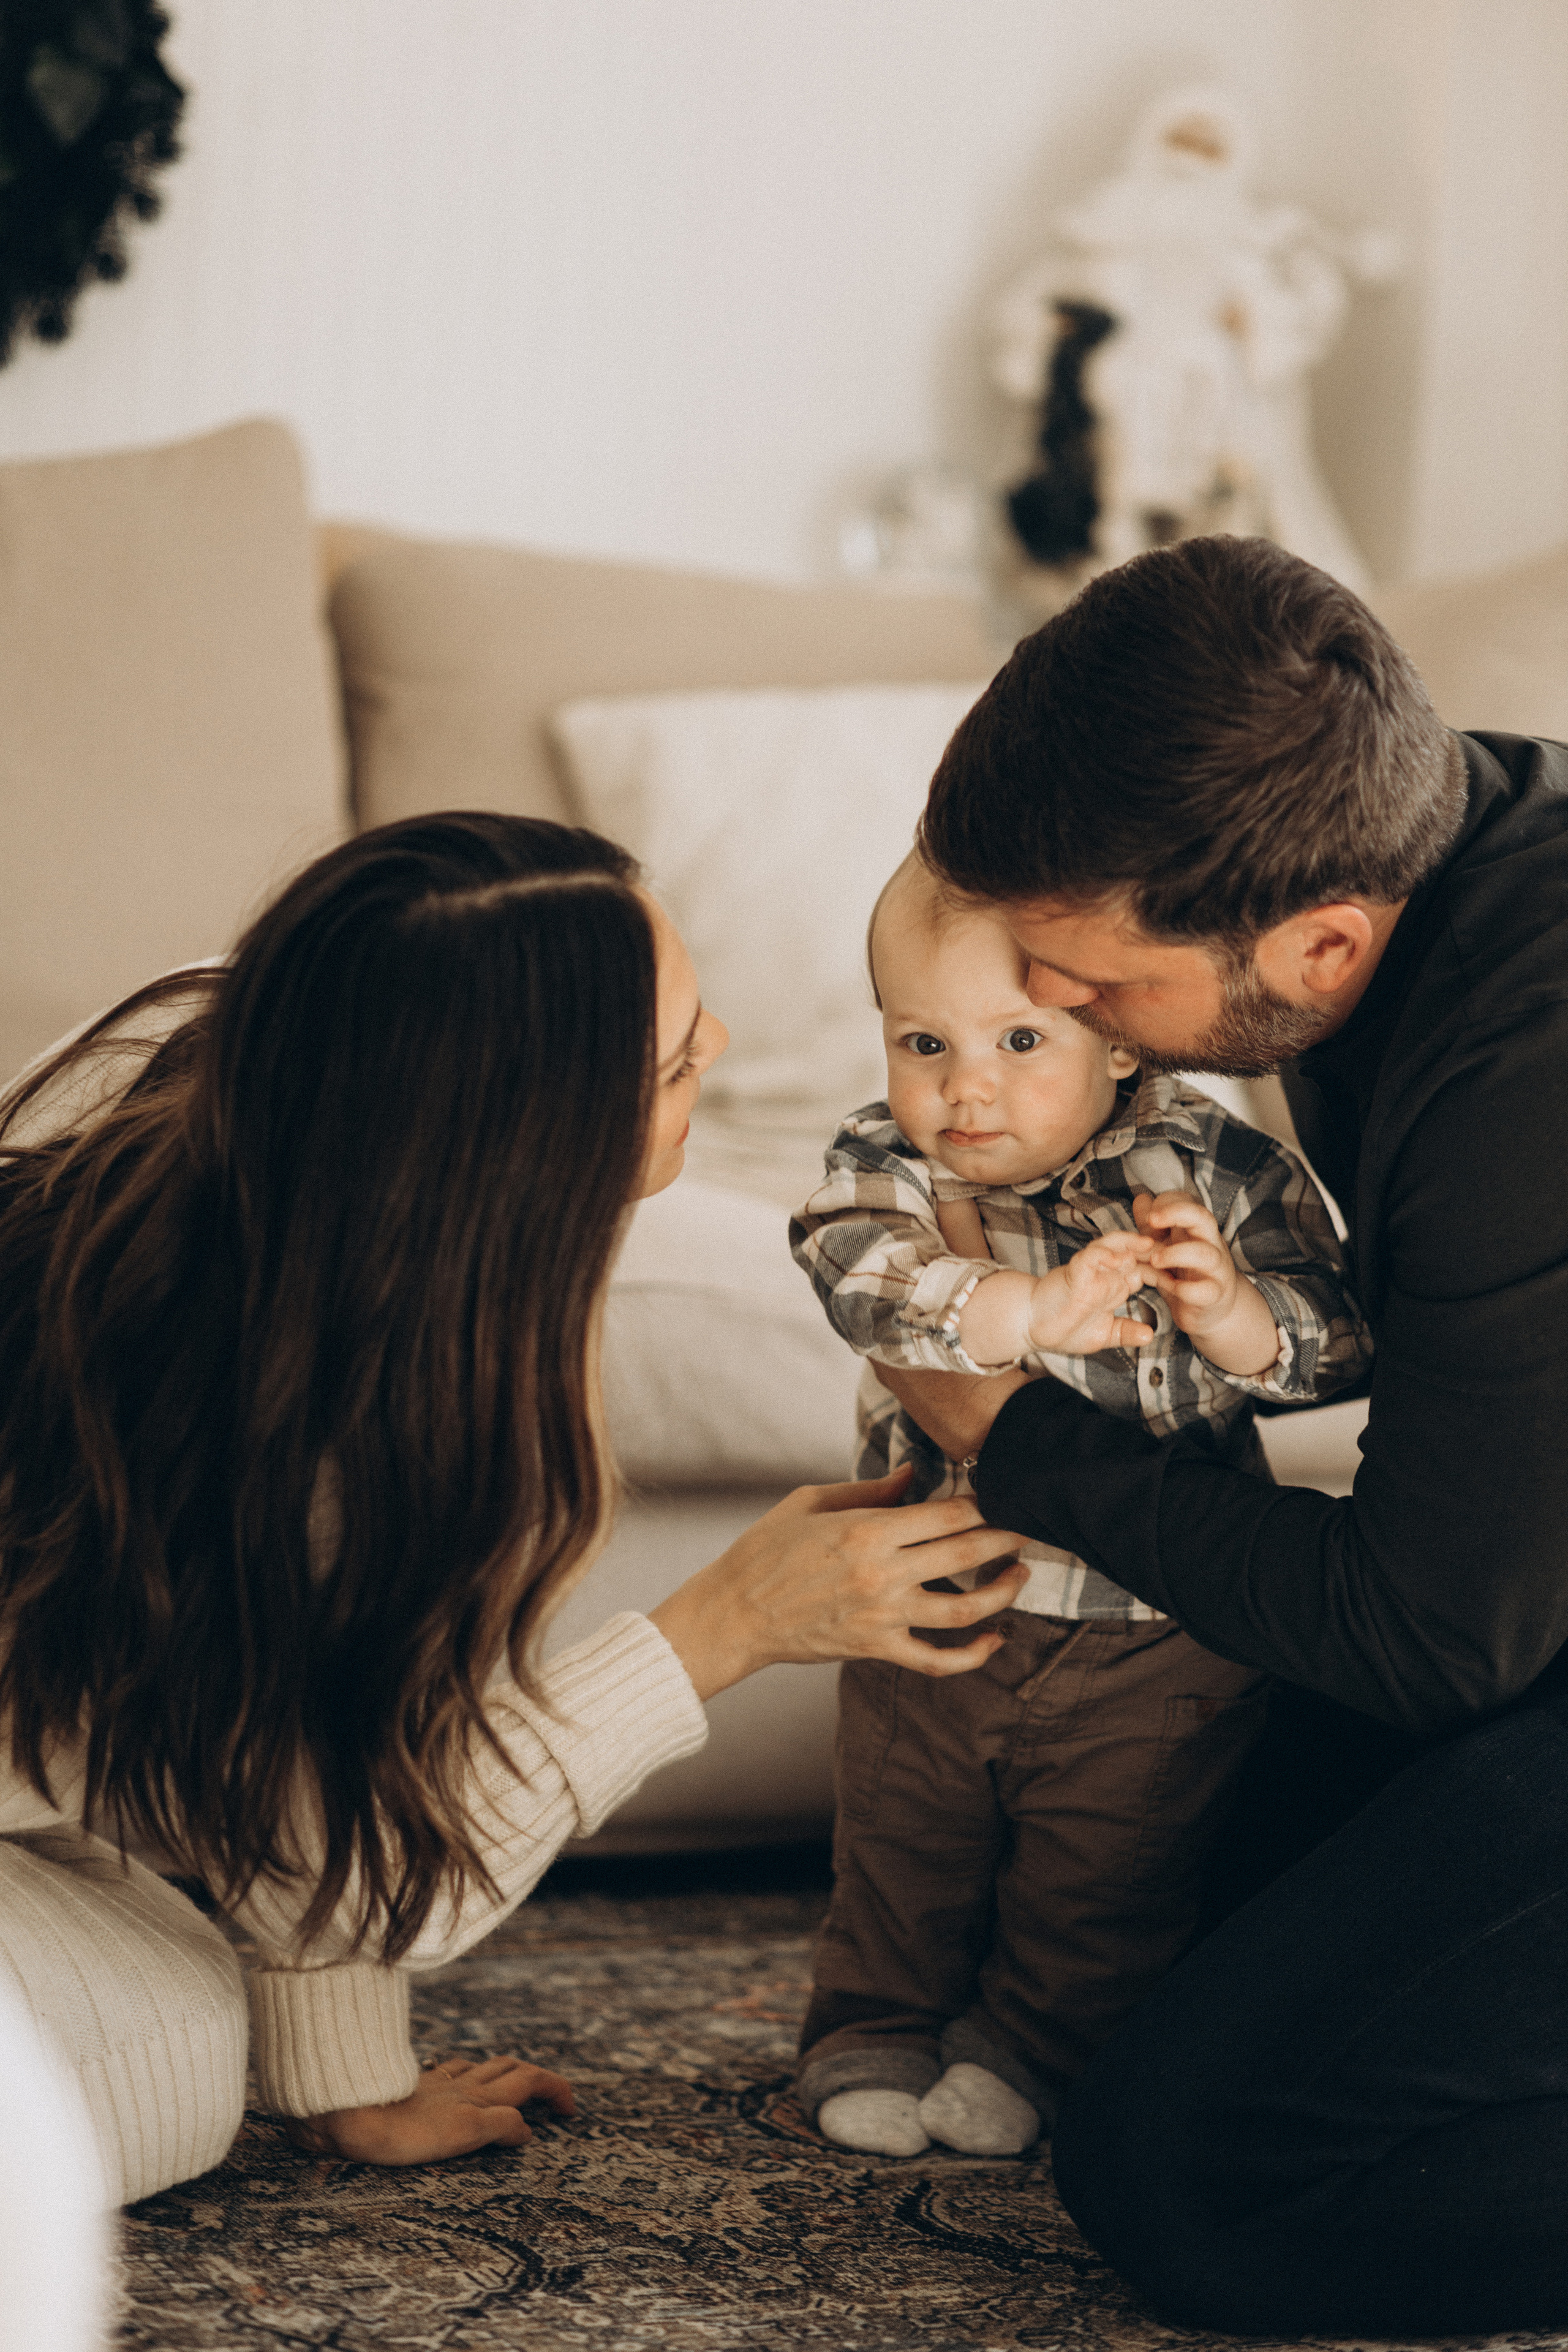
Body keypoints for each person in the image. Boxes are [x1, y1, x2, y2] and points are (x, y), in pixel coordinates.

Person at [0, 813, 1030, 2210]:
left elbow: (311, 1758)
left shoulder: (216, 1045)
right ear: (529, 1158)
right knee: (174, 2057)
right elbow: (382, 1878)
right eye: (673, 1060)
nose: (717, 1045)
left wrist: (344, 2079)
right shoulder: (346, 1427)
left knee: (163, 1954)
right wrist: (723, 1627)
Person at [883, 531, 1568, 2337]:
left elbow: (1432, 1635)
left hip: (1501, 1624)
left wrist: (1022, 1443)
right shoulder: (1427, 850)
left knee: (1191, 2176)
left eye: (1095, 992)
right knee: (1186, 1907)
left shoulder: (1531, 1059)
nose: (1073, 1024)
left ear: (1317, 942)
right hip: (1533, 1592)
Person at [787, 854, 1370, 2160]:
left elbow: (1338, 1345)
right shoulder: (884, 1160)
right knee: (902, 1838)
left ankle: (1028, 2050)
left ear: (1113, 1043)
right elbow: (853, 1271)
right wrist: (1019, 1313)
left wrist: (1227, 1314)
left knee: (1108, 1867)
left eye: (1017, 1040)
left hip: (1147, 1627)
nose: (964, 1086)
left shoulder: (1218, 1166)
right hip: (937, 1594)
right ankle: (871, 2027)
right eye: (921, 1041)